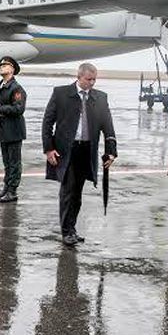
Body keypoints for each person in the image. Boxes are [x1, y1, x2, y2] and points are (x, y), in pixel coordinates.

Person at [42, 62, 117, 246]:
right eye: (88, 79)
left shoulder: (100, 98)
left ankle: (72, 228)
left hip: (87, 150)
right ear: (79, 76)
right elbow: (47, 122)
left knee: (77, 192)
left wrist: (111, 152)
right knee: (68, 191)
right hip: (66, 150)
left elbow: (108, 126)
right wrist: (49, 148)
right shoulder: (61, 93)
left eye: (94, 79)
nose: (92, 83)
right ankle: (66, 231)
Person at [0, 56, 27, 203]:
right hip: (4, 129)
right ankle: (6, 189)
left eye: (5, 65)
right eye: (0, 65)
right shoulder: (0, 86)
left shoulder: (16, 88)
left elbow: (18, 109)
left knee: (14, 162)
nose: (1, 67)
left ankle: (12, 191)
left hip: (14, 129)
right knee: (6, 162)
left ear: (12, 69)